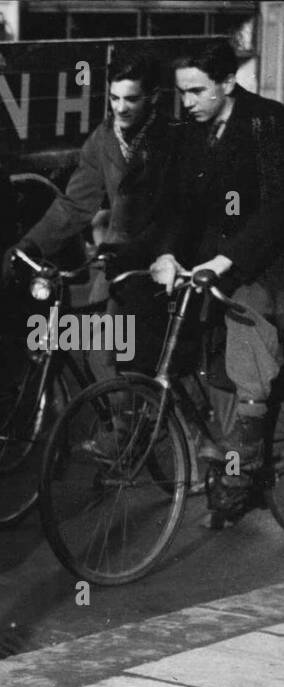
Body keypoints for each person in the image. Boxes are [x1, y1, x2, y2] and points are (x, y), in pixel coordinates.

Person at [150, 38, 284, 521]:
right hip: (207, 263)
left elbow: (276, 208)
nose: (187, 103)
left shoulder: (267, 121)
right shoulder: (190, 131)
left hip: (263, 261)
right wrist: (166, 253)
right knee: (156, 330)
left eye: (197, 91)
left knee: (249, 346)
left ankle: (239, 471)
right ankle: (203, 436)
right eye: (182, 93)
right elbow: (179, 207)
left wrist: (225, 261)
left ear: (228, 83)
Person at [10, 51, 177, 381]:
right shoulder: (103, 139)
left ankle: (142, 426)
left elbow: (180, 212)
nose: (120, 107)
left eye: (131, 99)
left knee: (129, 354)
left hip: (164, 260)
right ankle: (118, 426)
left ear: (153, 97)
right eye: (114, 98)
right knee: (97, 348)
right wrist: (31, 245)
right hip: (117, 260)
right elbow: (74, 205)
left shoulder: (175, 137)